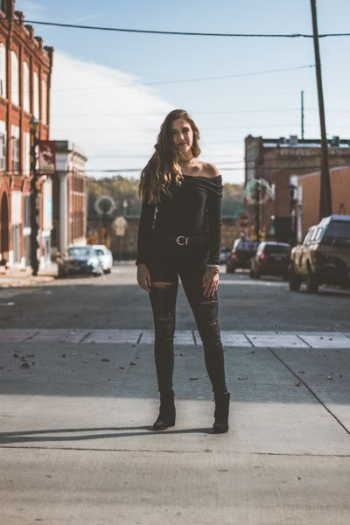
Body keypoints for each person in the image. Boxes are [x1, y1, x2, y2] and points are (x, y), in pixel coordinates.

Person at [135, 109, 230, 433]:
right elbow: (147, 222)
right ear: (167, 137)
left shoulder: (209, 172)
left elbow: (215, 224)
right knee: (164, 333)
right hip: (161, 257)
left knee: (210, 332)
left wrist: (213, 265)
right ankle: (167, 409)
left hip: (197, 260)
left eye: (185, 131)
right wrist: (141, 262)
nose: (180, 138)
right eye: (174, 133)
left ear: (194, 132)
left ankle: (221, 406)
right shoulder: (157, 169)